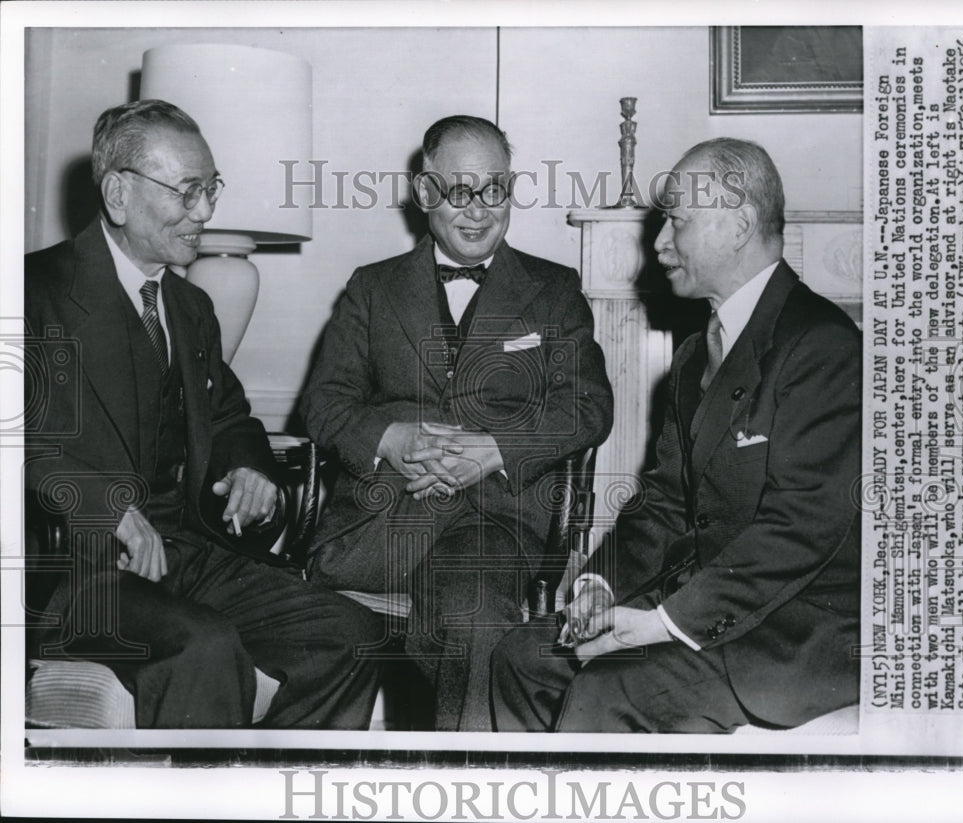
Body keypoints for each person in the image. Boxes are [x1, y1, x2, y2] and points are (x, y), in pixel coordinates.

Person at [24, 100, 383, 729]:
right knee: (205, 647)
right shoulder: (30, 293)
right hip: (72, 571)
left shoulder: (190, 307)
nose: (207, 212)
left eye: (211, 188)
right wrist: (102, 505)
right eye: (188, 191)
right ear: (117, 194)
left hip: (187, 553)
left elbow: (229, 418)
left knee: (348, 633)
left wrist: (250, 469)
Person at [492, 137, 861, 733]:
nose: (660, 242)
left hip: (794, 634)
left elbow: (799, 532)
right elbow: (664, 503)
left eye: (678, 221)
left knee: (610, 690)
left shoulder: (824, 347)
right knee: (519, 657)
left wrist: (661, 622)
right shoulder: (695, 356)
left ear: (739, 223)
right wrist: (599, 583)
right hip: (706, 613)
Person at [301, 115, 614, 731]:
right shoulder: (372, 288)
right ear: (424, 194)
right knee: (310, 626)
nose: (478, 211)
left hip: (493, 519)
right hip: (379, 524)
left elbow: (588, 406)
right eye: (458, 191)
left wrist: (496, 449)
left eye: (494, 189)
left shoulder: (553, 291)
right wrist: (389, 438)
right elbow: (323, 403)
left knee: (472, 617)